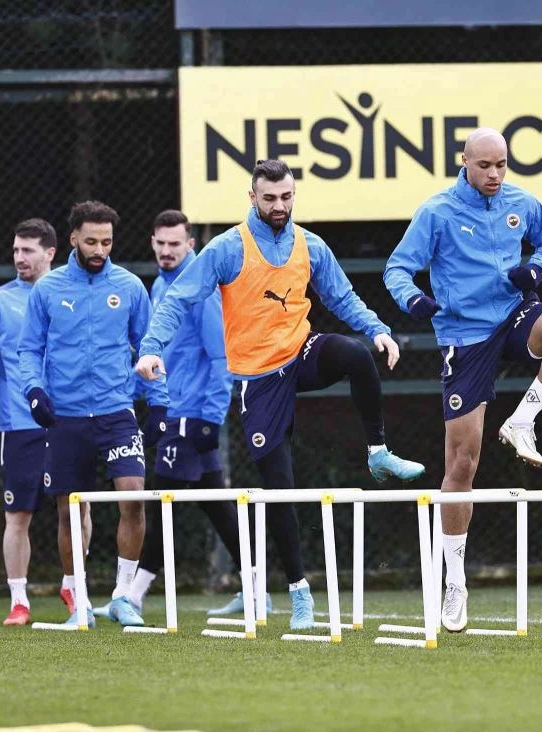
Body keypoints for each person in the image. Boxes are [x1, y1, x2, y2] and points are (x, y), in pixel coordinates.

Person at [135, 160, 424, 631]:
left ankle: (378, 452)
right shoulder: (228, 248)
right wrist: (151, 347)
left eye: (286, 197)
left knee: (355, 354)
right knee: (280, 485)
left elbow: (341, 296)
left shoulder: (311, 245)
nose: (279, 205)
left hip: (301, 352)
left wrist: (377, 329)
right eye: (269, 198)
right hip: (259, 377)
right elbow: (180, 299)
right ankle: (299, 592)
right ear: (252, 197)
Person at [384, 127, 542, 632]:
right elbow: (397, 268)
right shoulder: (437, 212)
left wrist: (537, 269)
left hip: (514, 315)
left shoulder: (521, 201)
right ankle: (455, 581)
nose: (495, 174)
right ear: (464, 162)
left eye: (502, 164)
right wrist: (413, 300)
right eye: (485, 166)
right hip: (465, 335)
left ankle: (522, 421)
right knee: (462, 462)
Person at [94, 209, 271, 618]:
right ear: (152, 243)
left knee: (163, 505)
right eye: (161, 243)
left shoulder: (200, 290)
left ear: (191, 244)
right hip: (174, 410)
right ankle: (256, 590)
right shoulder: (160, 285)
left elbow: (222, 357)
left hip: (190, 416)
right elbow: (158, 355)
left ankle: (132, 596)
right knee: (213, 504)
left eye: (175, 244)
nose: (167, 251)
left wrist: (211, 418)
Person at [18, 200, 169, 628]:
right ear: (73, 239)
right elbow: (29, 349)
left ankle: (123, 597)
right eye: (91, 241)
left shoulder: (130, 287)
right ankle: (80, 601)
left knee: (133, 496)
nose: (100, 249)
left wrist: (159, 401)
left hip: (116, 411)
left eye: (106, 241)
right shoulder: (47, 290)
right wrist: (34, 391)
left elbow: (149, 347)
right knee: (70, 511)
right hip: (65, 417)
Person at [0, 218, 93, 626]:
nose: (19, 257)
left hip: (69, 420)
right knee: (17, 515)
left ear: (51, 253)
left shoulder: (73, 292)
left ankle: (73, 586)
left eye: (28, 250)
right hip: (19, 424)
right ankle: (19, 601)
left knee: (76, 509)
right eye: (16, 250)